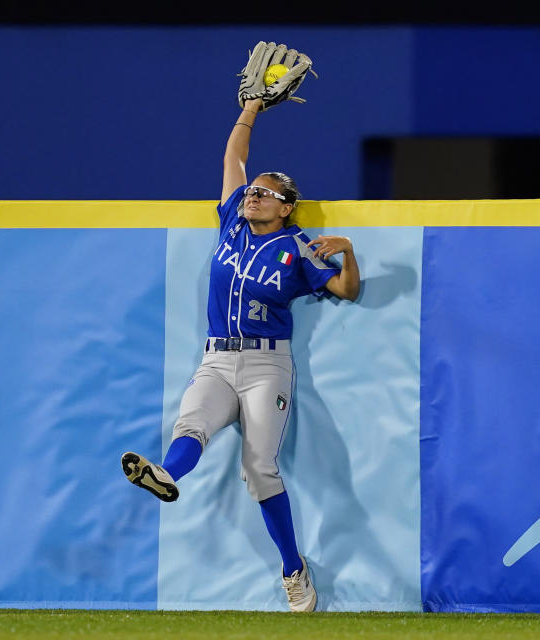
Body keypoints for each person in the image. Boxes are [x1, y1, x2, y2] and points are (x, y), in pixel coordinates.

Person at [121, 95, 360, 612]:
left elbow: (345, 291)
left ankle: (294, 572)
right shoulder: (231, 221)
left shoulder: (298, 246)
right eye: (254, 190)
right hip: (216, 358)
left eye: (268, 194)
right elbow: (234, 159)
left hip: (266, 366)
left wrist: (349, 253)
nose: (254, 196)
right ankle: (164, 476)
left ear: (286, 207)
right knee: (190, 426)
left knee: (259, 470)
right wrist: (250, 108)